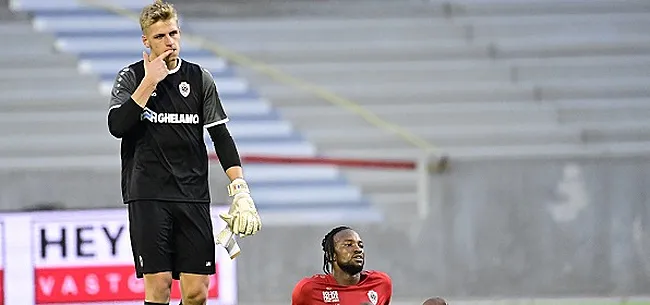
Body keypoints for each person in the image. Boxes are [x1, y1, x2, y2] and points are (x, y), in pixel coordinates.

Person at [106, 1, 262, 305]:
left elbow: (221, 135)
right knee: (160, 285)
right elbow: (117, 125)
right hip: (149, 194)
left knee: (196, 292)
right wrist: (150, 81)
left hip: (192, 195)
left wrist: (240, 188)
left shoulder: (199, 78)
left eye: (174, 34)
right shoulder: (131, 77)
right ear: (146, 40)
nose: (169, 42)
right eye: (161, 36)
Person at [291, 226, 392, 305]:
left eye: (360, 245)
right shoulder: (308, 289)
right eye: (348, 245)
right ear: (331, 255)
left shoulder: (381, 283)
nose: (358, 249)